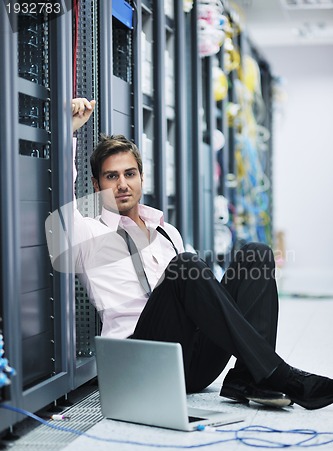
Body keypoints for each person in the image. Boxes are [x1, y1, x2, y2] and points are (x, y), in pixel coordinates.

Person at [47, 97, 333, 411]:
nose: (122, 184)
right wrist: (68, 133)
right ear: (96, 184)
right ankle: (278, 372)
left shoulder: (167, 232)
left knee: (256, 254)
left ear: (142, 178)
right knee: (185, 265)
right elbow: (62, 199)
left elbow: (197, 301)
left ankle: (249, 377)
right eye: (111, 177)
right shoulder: (90, 234)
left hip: (194, 362)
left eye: (129, 174)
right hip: (146, 359)